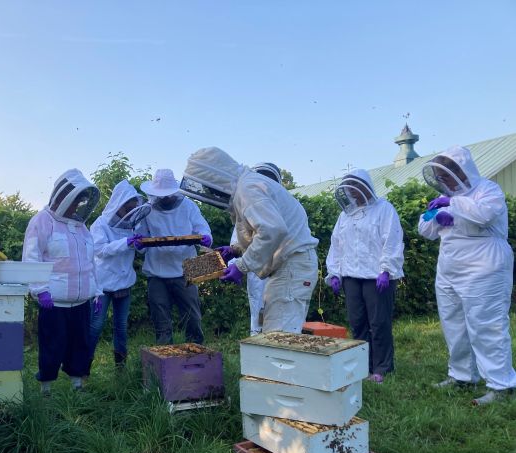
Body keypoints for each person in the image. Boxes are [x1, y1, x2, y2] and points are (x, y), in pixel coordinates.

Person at [182, 148, 318, 334]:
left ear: (215, 176)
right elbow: (266, 230)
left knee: (280, 339)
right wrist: (236, 249)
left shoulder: (247, 189)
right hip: (290, 266)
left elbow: (273, 230)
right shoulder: (248, 185)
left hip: (291, 266)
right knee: (276, 336)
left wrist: (242, 266)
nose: (210, 191)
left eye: (209, 186)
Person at [418, 146, 516, 405]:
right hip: (450, 265)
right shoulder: (447, 196)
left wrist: (452, 204)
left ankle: (501, 385)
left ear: (461, 171)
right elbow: (425, 230)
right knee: (454, 324)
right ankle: (462, 376)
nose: (443, 182)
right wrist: (436, 217)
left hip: (485, 265)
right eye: (440, 178)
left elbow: (484, 214)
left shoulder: (487, 190)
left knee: (487, 324)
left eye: (446, 176)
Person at [23, 169, 101, 394]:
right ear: (62, 196)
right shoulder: (41, 221)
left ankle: (77, 386)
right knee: (52, 346)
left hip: (81, 301)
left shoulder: (81, 227)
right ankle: (45, 389)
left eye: (80, 201)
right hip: (53, 301)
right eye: (75, 200)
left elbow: (90, 262)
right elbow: (31, 257)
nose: (77, 206)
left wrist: (96, 292)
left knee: (80, 344)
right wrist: (40, 290)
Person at [326, 169, 404, 384]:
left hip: (377, 277)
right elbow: (337, 244)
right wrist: (334, 272)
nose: (351, 192)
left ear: (365, 187)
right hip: (351, 276)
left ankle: (382, 367)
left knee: (379, 323)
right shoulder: (345, 215)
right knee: (357, 322)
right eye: (348, 189)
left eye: (354, 188)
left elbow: (393, 239)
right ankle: (362, 366)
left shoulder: (384, 209)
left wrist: (386, 269)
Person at [135, 169, 213, 344]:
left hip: (187, 270)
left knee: (193, 319)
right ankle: (164, 364)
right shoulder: (147, 210)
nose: (165, 198)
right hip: (156, 273)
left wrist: (206, 237)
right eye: (161, 195)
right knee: (161, 323)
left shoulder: (188, 206)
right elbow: (140, 238)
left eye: (168, 195)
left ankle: (196, 359)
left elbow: (202, 228)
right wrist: (139, 243)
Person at [89, 179, 150, 366]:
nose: (129, 212)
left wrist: (140, 244)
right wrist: (126, 243)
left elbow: (141, 249)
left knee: (121, 327)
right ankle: (83, 367)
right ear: (118, 205)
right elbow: (99, 250)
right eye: (127, 208)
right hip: (103, 284)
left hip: (124, 282)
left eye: (132, 208)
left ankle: (120, 367)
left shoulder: (132, 224)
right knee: (96, 326)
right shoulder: (100, 224)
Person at [238, 162, 283, 335]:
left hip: (281, 267)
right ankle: (256, 343)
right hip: (257, 269)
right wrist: (233, 251)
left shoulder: (284, 204)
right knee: (257, 309)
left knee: (280, 313)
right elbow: (240, 237)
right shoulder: (248, 205)